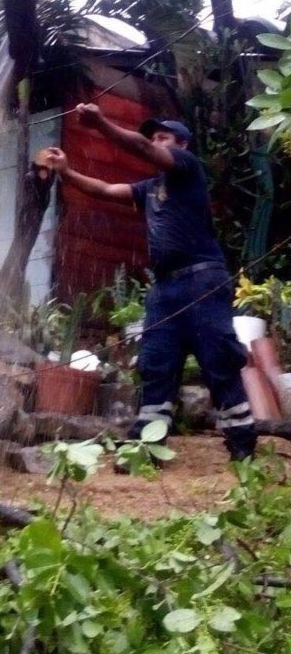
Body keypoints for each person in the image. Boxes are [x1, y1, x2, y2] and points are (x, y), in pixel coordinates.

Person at [44, 105, 256, 462]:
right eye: (154, 137)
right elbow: (107, 189)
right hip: (164, 290)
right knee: (155, 365)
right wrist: (66, 172)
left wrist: (99, 122)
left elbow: (141, 149)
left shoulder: (187, 169)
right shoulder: (149, 188)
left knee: (219, 361)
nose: (155, 142)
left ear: (182, 145)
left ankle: (242, 446)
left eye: (163, 137)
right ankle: (147, 446)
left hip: (202, 280)